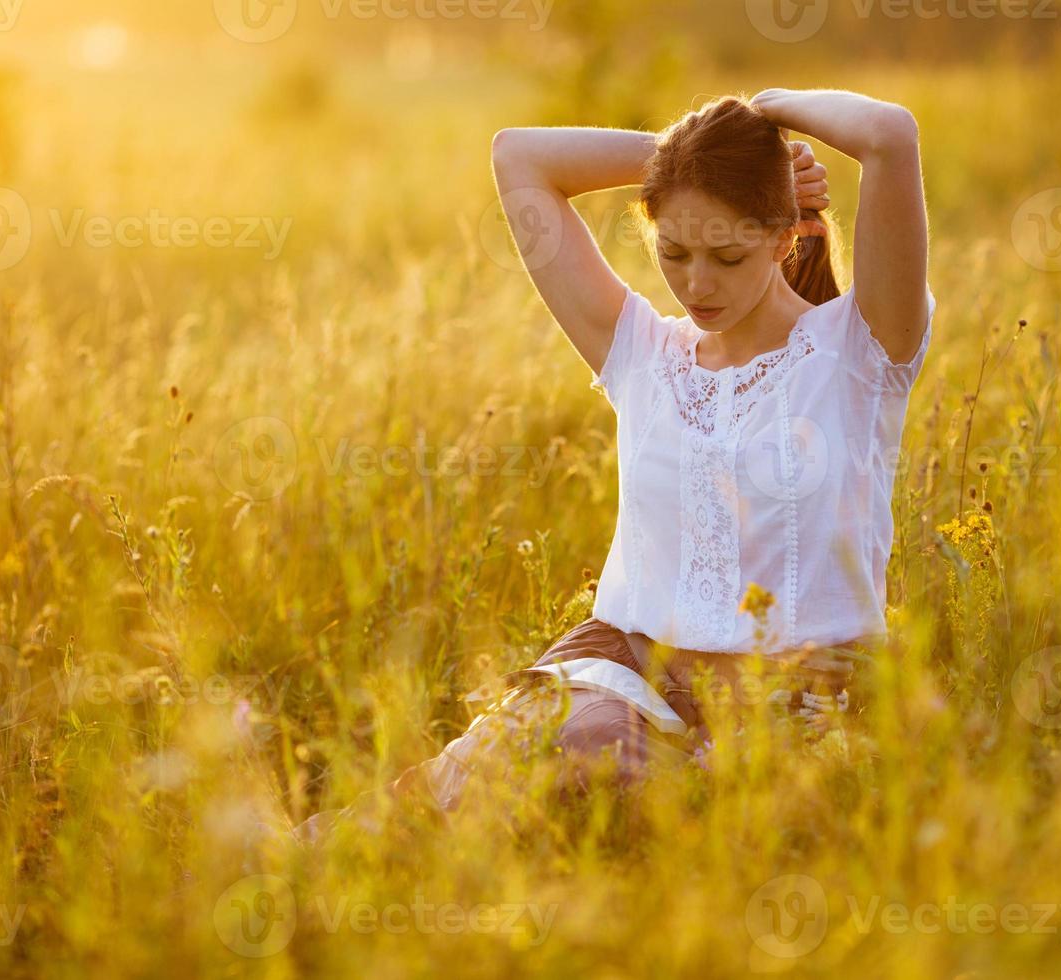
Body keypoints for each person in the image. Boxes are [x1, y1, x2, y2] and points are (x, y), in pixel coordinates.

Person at [287, 88, 936, 849]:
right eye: (674, 253)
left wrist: (765, 115)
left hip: (801, 703)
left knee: (694, 816)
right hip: (630, 677)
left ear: (783, 235)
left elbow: (890, 135)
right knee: (535, 763)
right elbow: (519, 157)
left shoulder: (858, 352)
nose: (697, 285)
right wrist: (682, 158)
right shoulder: (641, 352)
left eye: (726, 255)